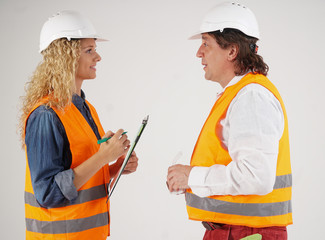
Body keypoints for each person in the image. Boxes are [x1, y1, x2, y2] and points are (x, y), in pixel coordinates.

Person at [166, 2, 292, 239]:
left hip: (247, 232)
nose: (199, 52)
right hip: (235, 230)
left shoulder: (251, 97)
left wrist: (191, 176)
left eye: (205, 43)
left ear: (232, 51)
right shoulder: (239, 94)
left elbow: (256, 178)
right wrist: (189, 181)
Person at [19, 10, 138, 240]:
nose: (98, 57)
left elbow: (79, 176)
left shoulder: (84, 107)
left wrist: (114, 168)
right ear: (66, 56)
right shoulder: (46, 115)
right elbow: (48, 193)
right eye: (89, 50)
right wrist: (103, 157)